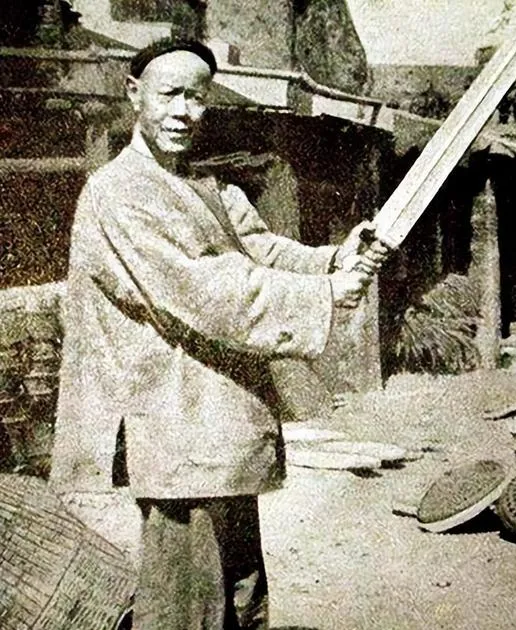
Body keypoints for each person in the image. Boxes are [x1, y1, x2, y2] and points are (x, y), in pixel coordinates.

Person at [48, 38, 387, 629]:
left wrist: (334, 258)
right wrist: (325, 295)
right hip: (172, 420)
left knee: (239, 593)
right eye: (169, 95)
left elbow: (259, 248)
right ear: (134, 95)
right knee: (187, 602)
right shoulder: (118, 191)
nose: (183, 112)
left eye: (197, 97)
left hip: (223, 420)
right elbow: (205, 288)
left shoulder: (207, 185)